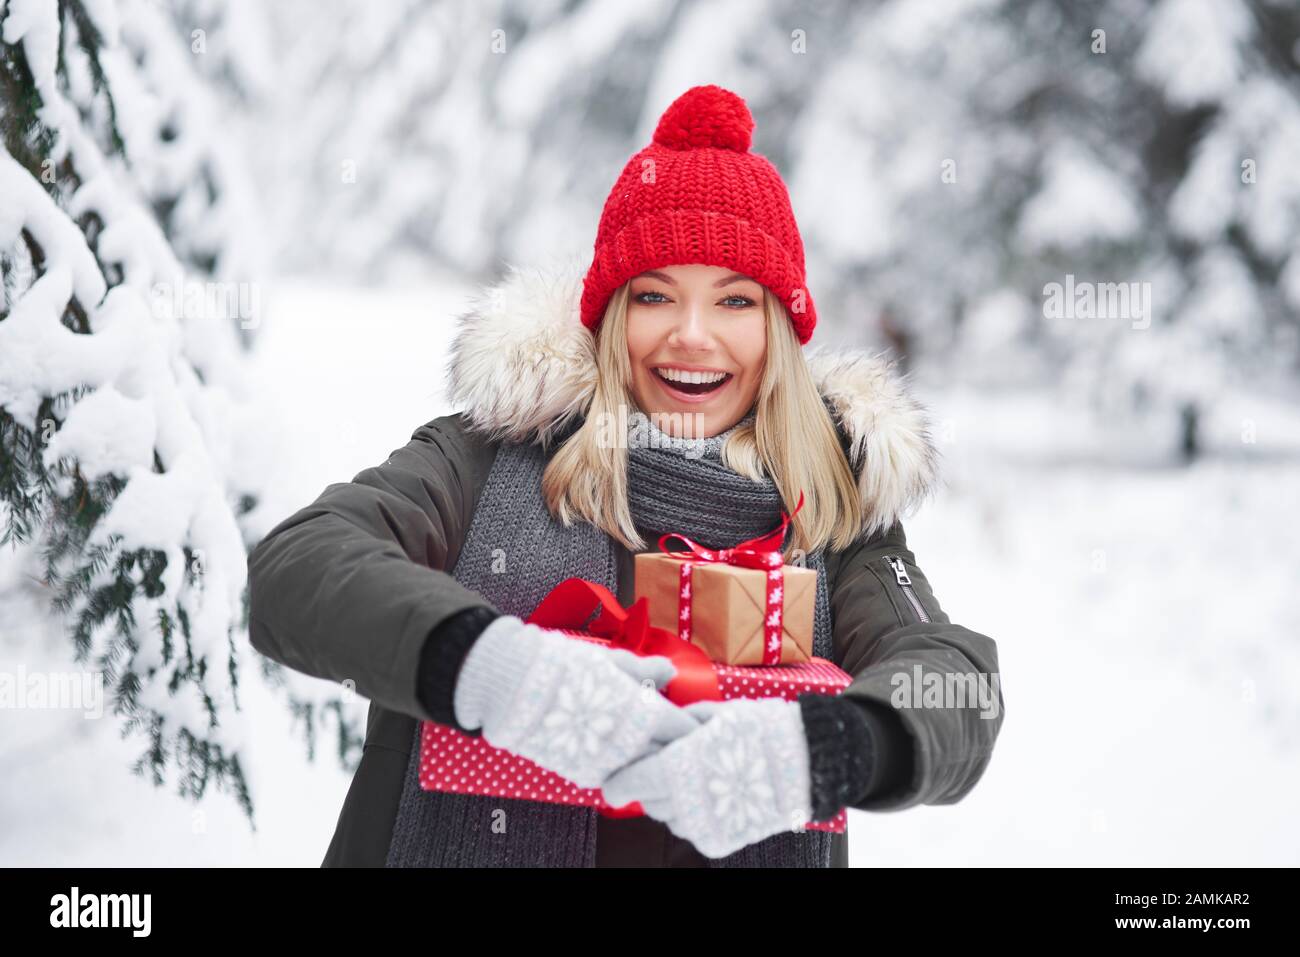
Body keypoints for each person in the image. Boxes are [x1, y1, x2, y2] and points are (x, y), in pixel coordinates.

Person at [247, 84, 1004, 868]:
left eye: (736, 300)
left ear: (777, 330)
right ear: (612, 315)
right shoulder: (486, 458)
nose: (692, 335)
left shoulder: (834, 518)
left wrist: (827, 750)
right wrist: (495, 672)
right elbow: (298, 568)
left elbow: (959, 685)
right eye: (655, 295)